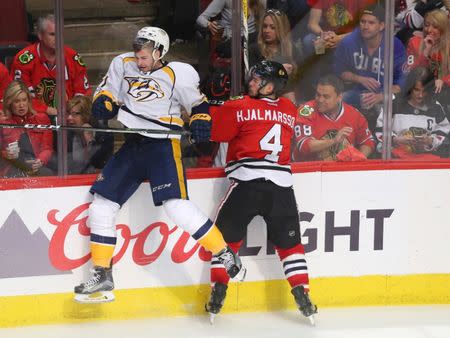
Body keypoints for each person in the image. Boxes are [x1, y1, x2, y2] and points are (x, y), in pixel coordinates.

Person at [73, 26, 246, 303]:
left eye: (144, 57)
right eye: (137, 56)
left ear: (160, 52)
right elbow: (105, 93)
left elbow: (198, 106)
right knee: (102, 204)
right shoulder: (122, 63)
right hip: (132, 144)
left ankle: (224, 252)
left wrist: (201, 119)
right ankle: (103, 273)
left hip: (162, 144)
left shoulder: (179, 73)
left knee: (175, 206)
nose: (139, 62)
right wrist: (102, 103)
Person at [206, 60, 317, 323]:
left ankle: (217, 293)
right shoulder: (289, 109)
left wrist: (218, 107)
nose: (251, 82)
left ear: (270, 86)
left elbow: (216, 134)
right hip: (282, 189)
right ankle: (303, 293)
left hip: (247, 183)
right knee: (291, 247)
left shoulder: (239, 105)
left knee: (223, 242)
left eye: (257, 80)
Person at [333, 4, 407, 130]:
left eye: (371, 23)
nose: (365, 26)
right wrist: (359, 78)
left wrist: (381, 96)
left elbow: (402, 82)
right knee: (338, 102)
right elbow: (340, 71)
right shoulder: (348, 42)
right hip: (357, 93)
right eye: (363, 21)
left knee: (388, 113)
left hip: (385, 96)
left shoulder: (394, 45)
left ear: (382, 26)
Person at [9, 14, 91, 119]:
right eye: (52, 34)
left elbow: (83, 93)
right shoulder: (23, 60)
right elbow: (18, 97)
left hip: (69, 117)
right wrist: (46, 110)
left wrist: (72, 112)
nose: (58, 38)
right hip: (34, 116)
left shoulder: (72, 57)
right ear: (40, 35)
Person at [292, 74, 375, 162]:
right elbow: (304, 146)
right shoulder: (306, 111)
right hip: (307, 170)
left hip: (341, 172)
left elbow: (368, 142)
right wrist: (334, 141)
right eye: (318, 95)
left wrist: (357, 159)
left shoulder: (354, 115)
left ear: (339, 97)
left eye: (326, 96)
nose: (320, 100)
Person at [375, 67, 450, 159]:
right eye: (417, 90)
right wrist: (395, 139)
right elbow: (379, 131)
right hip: (397, 159)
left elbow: (444, 132)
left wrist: (431, 140)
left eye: (425, 91)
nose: (421, 95)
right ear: (410, 88)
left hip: (427, 161)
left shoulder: (435, 107)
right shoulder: (394, 103)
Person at [0, 80, 53, 178]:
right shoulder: (3, 124)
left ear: (29, 100)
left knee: (47, 173)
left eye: (24, 100)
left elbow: (47, 148)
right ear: (10, 103)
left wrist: (40, 160)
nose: (21, 105)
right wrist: (5, 154)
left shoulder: (42, 119)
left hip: (36, 166)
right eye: (17, 101)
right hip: (12, 168)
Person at [249, 9, 303, 102]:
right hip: (261, 96)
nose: (267, 31)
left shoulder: (292, 49)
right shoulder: (255, 49)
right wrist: (279, 70)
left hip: (286, 96)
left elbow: (301, 76)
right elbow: (251, 76)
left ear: (281, 29)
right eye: (265, 26)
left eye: (272, 27)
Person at [406, 10, 450, 96]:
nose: (429, 30)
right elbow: (411, 72)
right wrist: (426, 52)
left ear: (443, 28)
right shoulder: (414, 42)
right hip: (419, 92)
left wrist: (443, 81)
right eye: (426, 25)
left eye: (435, 27)